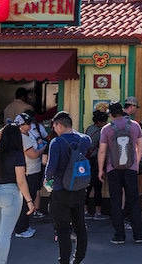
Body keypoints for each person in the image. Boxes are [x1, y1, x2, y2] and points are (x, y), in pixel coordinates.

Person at [0, 123, 35, 264]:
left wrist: (6, 128)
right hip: (11, 194)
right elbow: (21, 181)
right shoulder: (18, 155)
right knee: (5, 234)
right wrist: (29, 201)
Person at [45, 111, 91, 264]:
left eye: (55, 126)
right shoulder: (84, 140)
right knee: (80, 226)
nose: (54, 129)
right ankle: (78, 259)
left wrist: (47, 180)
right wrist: (72, 131)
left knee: (63, 229)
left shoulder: (56, 143)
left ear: (59, 125)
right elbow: (85, 138)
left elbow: (51, 168)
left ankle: (64, 260)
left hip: (60, 190)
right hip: (79, 189)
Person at [98, 101, 142, 245]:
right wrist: (136, 164)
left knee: (116, 201)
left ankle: (119, 235)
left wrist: (101, 169)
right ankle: (139, 235)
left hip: (113, 168)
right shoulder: (135, 125)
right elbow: (140, 146)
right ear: (122, 111)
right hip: (130, 168)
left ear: (111, 114)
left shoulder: (106, 129)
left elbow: (102, 151)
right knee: (134, 200)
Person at [12, 113, 46, 238]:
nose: (30, 125)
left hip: (34, 170)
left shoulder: (29, 134)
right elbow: (33, 154)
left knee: (30, 197)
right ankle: (21, 229)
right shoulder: (22, 137)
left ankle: (25, 225)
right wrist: (45, 148)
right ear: (22, 125)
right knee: (27, 201)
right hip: (28, 171)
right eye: (28, 123)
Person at [83, 109, 109, 220]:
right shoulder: (101, 132)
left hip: (86, 160)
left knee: (87, 186)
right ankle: (98, 212)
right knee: (97, 186)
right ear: (100, 122)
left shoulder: (89, 129)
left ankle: (85, 210)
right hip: (95, 160)